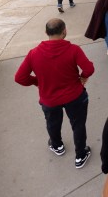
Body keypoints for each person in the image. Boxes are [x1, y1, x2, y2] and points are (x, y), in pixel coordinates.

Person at [14, 18, 94, 168]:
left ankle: (57, 146)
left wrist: (37, 82)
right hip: (75, 96)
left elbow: (19, 78)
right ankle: (80, 155)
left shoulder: (33, 54)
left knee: (52, 123)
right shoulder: (74, 50)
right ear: (65, 31)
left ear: (46, 33)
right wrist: (82, 78)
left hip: (49, 99)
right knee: (78, 125)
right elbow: (89, 69)